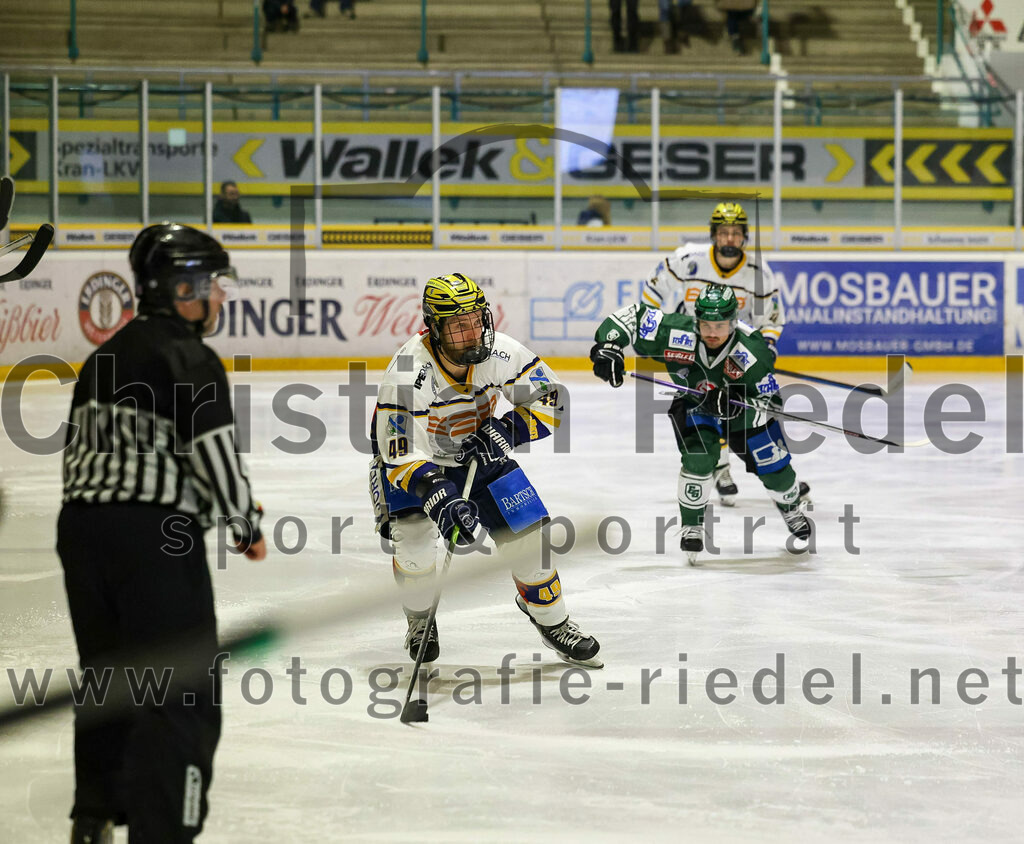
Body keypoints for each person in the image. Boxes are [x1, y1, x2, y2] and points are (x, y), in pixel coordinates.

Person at [58, 223, 266, 843]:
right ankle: (165, 831)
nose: (220, 299)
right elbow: (213, 451)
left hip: (81, 534)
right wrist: (243, 521)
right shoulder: (188, 355)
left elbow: (100, 459)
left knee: (107, 678)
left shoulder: (103, 357)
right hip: (154, 540)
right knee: (181, 693)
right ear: (182, 288)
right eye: (212, 286)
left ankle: (94, 816)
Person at [369, 273, 601, 667]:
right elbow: (398, 452)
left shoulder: (501, 353)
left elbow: (554, 401)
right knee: (414, 543)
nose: (473, 334)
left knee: (532, 544)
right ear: (435, 328)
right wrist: (438, 496)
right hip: (413, 465)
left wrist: (508, 429)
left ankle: (552, 620)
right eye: (459, 326)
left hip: (480, 453)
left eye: (477, 320)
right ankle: (420, 618)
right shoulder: (406, 373)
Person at [590, 284, 812, 565]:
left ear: (733, 322)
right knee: (699, 459)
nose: (711, 332)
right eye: (705, 324)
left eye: (720, 325)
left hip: (744, 414)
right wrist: (609, 346)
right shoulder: (677, 333)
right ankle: (692, 525)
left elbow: (771, 404)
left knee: (775, 471)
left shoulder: (752, 350)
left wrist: (735, 405)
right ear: (696, 320)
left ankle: (791, 508)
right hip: (695, 403)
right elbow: (632, 317)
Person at [640, 200, 809, 508]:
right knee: (704, 408)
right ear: (713, 235)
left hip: (733, 353)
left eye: (735, 233)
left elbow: (771, 319)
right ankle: (720, 468)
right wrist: (657, 328)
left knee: (753, 412)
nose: (729, 239)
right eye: (723, 233)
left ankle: (776, 469)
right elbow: (653, 290)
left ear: (744, 236)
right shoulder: (689, 258)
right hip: (690, 351)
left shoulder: (759, 272)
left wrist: (766, 349)